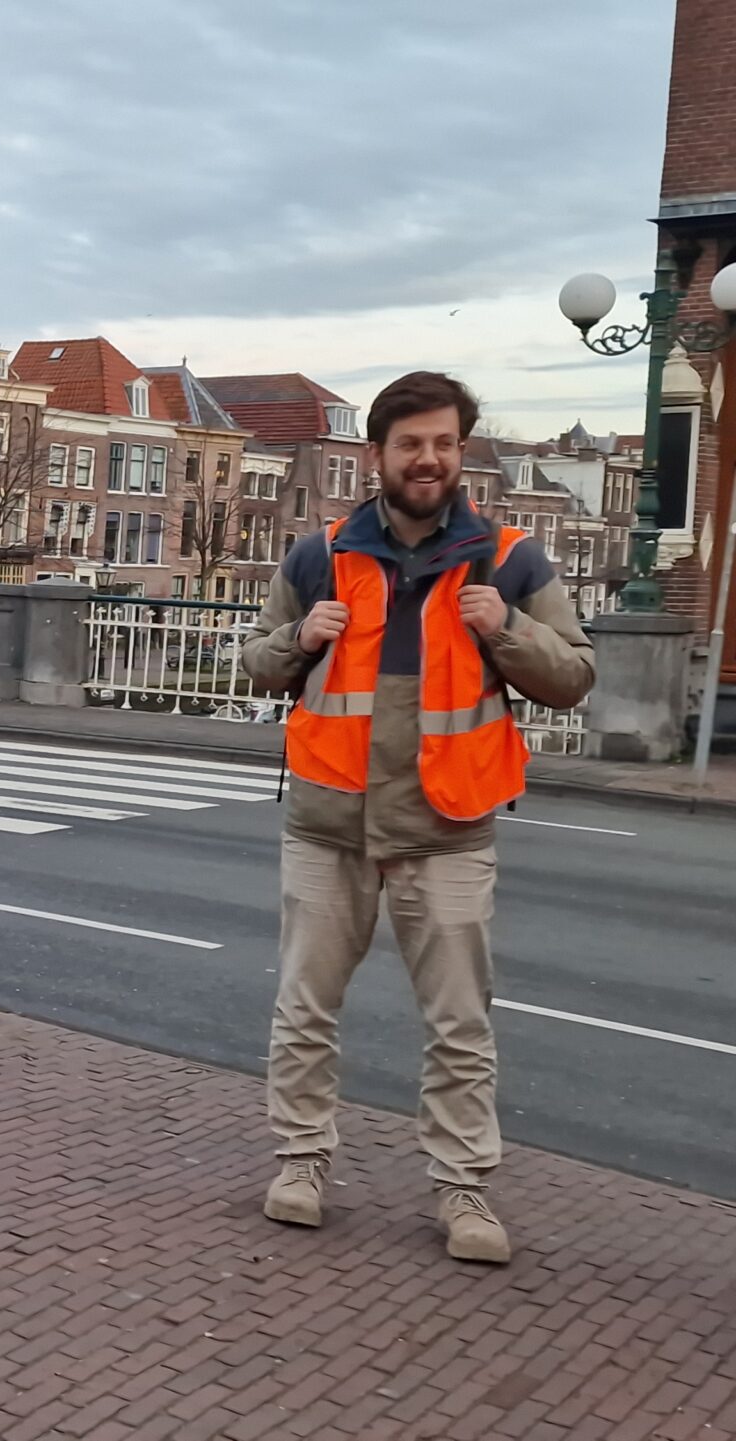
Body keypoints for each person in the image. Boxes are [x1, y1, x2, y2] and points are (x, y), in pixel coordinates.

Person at [240, 371, 594, 1265]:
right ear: (379, 455)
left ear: (461, 450)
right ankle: (301, 1162)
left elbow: (574, 676)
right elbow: (259, 662)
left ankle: (463, 1187)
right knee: (304, 1008)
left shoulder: (508, 561)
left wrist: (507, 627)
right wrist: (298, 638)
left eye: (443, 442)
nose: (427, 458)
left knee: (459, 1023)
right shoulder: (319, 556)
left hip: (449, 826)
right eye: (410, 444)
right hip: (329, 823)